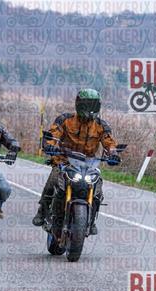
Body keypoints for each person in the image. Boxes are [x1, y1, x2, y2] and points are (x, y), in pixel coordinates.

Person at [32, 89, 120, 235]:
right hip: (65, 161)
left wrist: (113, 154)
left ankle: (91, 220)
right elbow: (53, 134)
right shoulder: (65, 120)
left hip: (88, 165)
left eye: (93, 105)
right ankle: (42, 210)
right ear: (79, 104)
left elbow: (109, 142)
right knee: (53, 180)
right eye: (87, 104)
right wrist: (49, 145)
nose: (90, 108)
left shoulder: (101, 125)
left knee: (98, 188)